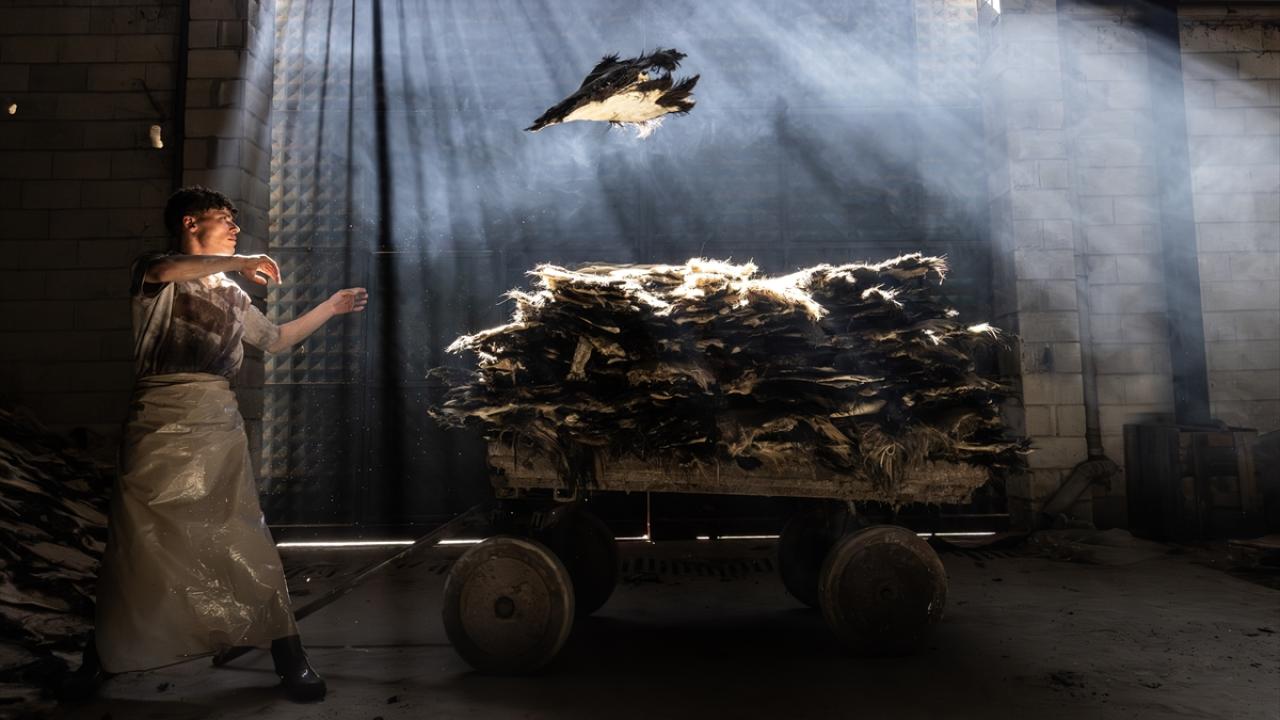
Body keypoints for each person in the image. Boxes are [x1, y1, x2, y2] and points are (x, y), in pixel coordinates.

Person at [60, 186, 368, 703]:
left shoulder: (230, 291)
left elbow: (272, 339)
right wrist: (242, 260)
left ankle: (289, 656)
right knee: (139, 550)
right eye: (222, 218)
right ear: (188, 224)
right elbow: (166, 271)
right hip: (158, 423)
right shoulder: (154, 270)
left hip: (216, 423)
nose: (233, 226)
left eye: (234, 221)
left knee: (246, 540)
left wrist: (329, 308)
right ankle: (100, 659)